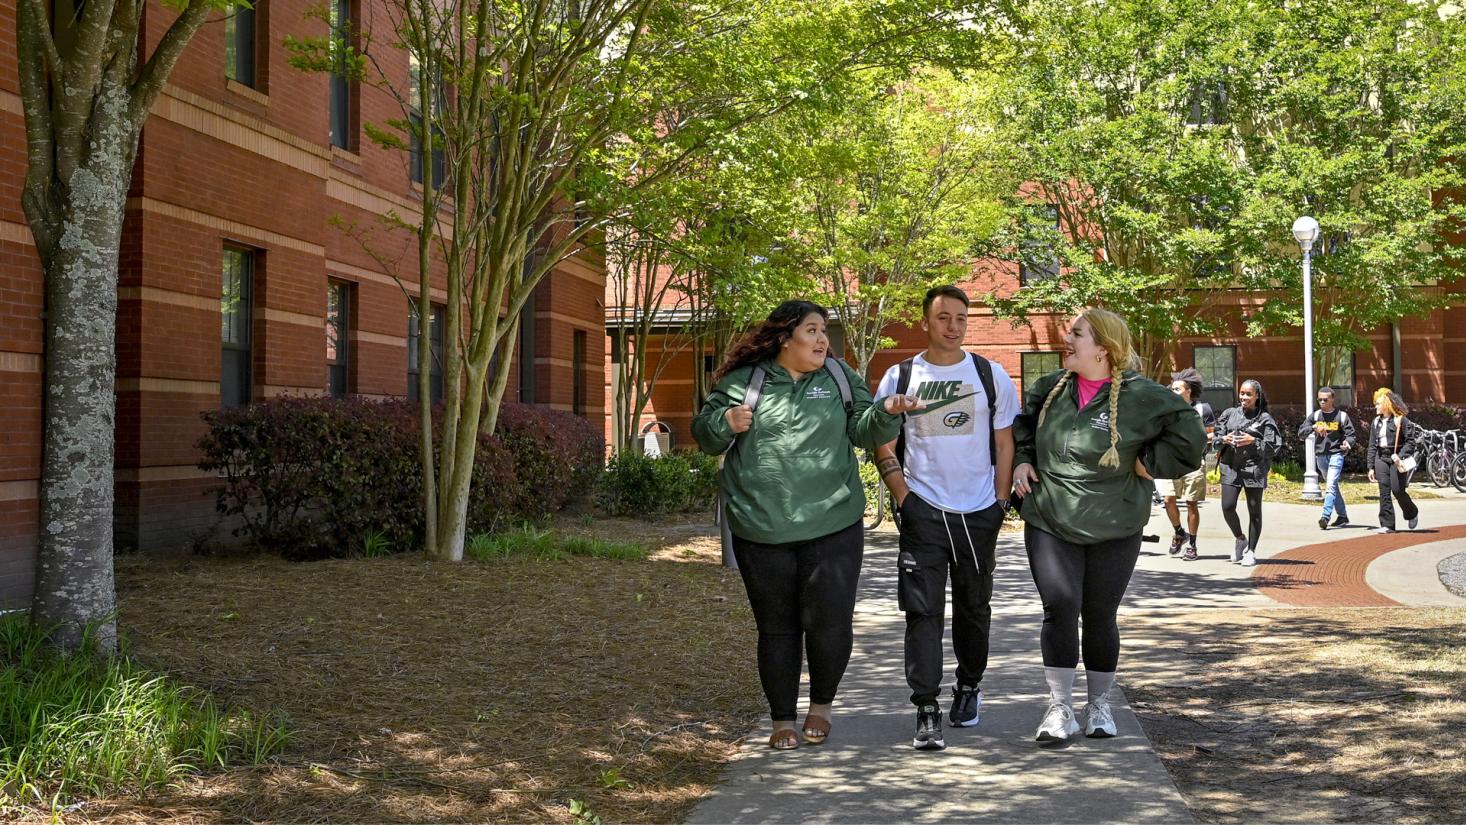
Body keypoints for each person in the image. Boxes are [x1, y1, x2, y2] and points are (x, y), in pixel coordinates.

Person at [692, 300, 914, 751]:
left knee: (829, 622)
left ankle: (822, 707)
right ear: (784, 338)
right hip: (761, 529)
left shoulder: (837, 378)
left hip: (834, 523)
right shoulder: (745, 383)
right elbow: (703, 433)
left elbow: (864, 431)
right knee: (777, 628)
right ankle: (782, 717)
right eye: (812, 330)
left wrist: (887, 410)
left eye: (823, 330)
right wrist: (725, 421)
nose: (821, 339)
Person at [1011, 309, 1206, 744]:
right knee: (1060, 606)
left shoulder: (1142, 394)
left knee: (1100, 614)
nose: (1067, 338)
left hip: (1116, 523)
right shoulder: (1049, 389)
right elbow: (1021, 429)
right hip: (1049, 518)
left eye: (1076, 333)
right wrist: (1023, 460)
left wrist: (1149, 463)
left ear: (1103, 347)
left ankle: (1098, 704)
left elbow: (1190, 435)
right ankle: (1060, 707)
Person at [871, 285, 1020, 751]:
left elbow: (1003, 443)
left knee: (975, 609)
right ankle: (926, 707)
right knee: (923, 612)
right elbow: (883, 443)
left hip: (979, 512)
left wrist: (998, 503)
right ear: (925, 321)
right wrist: (905, 499)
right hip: (924, 513)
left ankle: (969, 688)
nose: (952, 327)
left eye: (960, 318)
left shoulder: (990, 374)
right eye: (942, 318)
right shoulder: (899, 376)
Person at [1214, 380, 1282, 567]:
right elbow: (1215, 440)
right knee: (1227, 506)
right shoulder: (1229, 414)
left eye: (1248, 394)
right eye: (1242, 393)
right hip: (1230, 467)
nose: (1244, 397)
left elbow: (1274, 447)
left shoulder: (1265, 419)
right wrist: (1224, 439)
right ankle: (1240, 538)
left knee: (1254, 512)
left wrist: (1253, 441)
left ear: (1257, 396)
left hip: (1254, 469)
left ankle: (1251, 551)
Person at [1154, 368, 1215, 561]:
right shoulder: (1166, 410)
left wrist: (1197, 439)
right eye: (1172, 389)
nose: (1173, 392)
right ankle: (1179, 532)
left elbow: (1212, 434)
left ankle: (1193, 545)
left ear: (1188, 391)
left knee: (1191, 504)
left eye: (1177, 389)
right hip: (1169, 462)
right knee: (1167, 500)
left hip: (1193, 462)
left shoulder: (1202, 409)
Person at [1299, 387, 1357, 530]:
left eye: (1325, 399)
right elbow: (1301, 433)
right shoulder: (1315, 416)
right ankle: (1343, 516)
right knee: (1333, 486)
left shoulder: (1342, 416)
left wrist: (1347, 443)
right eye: (1320, 399)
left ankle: (1325, 516)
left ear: (1332, 399)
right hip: (1321, 456)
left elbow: (1351, 435)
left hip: (1336, 455)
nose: (1322, 402)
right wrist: (1314, 427)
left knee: (1330, 486)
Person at [1366, 388, 1420, 533]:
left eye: (1378, 404)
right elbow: (1372, 445)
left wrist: (1400, 455)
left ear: (1386, 404)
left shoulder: (1401, 420)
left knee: (1398, 490)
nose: (1375, 406)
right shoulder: (1376, 422)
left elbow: (1410, 442)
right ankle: (1387, 525)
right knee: (1384, 491)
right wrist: (1370, 466)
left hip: (1396, 458)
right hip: (1381, 457)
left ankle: (1411, 513)